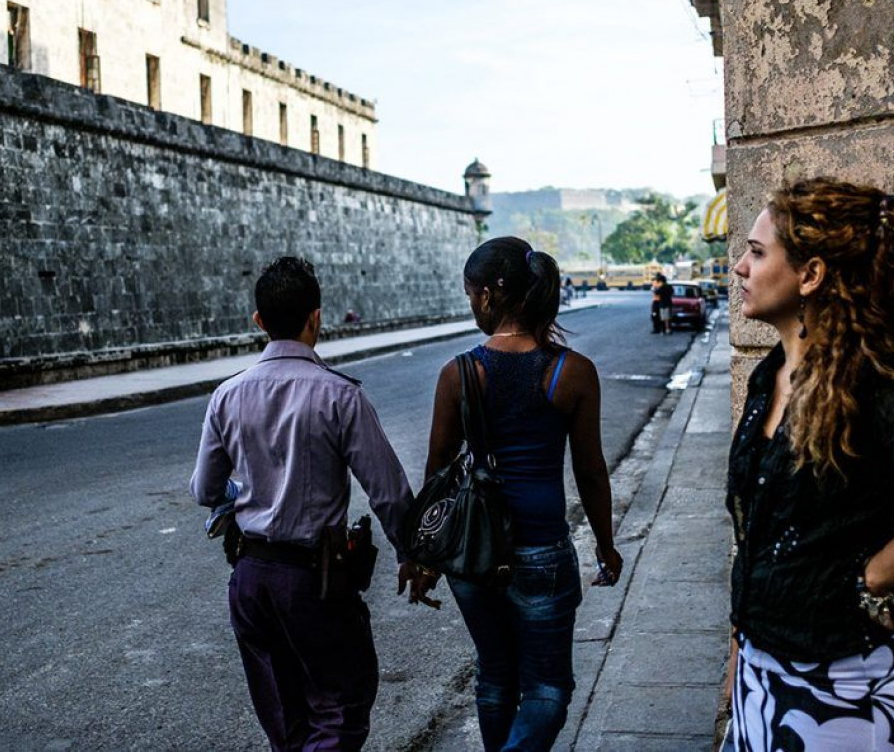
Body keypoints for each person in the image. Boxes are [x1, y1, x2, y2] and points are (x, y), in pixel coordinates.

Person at [722, 179, 894, 751]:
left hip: (840, 694)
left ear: (811, 274)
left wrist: (868, 581)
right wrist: (737, 666)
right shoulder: (765, 377)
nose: (741, 268)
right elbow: (756, 535)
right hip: (759, 676)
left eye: (756, 251)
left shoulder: (871, 383)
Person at [189, 256, 432, 751]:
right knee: (340, 709)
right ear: (316, 318)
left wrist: (239, 495)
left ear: (258, 321)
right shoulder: (341, 397)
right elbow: (387, 489)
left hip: (251, 578)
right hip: (314, 583)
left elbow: (204, 490)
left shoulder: (226, 396)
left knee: (285, 717)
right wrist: (412, 554)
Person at [419, 236, 624, 752]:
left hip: (472, 554)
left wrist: (421, 555)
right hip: (543, 552)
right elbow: (591, 470)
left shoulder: (460, 373)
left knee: (495, 679)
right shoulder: (571, 372)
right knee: (548, 687)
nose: (472, 307)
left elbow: (437, 473)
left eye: (471, 297)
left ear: (489, 296)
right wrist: (605, 542)